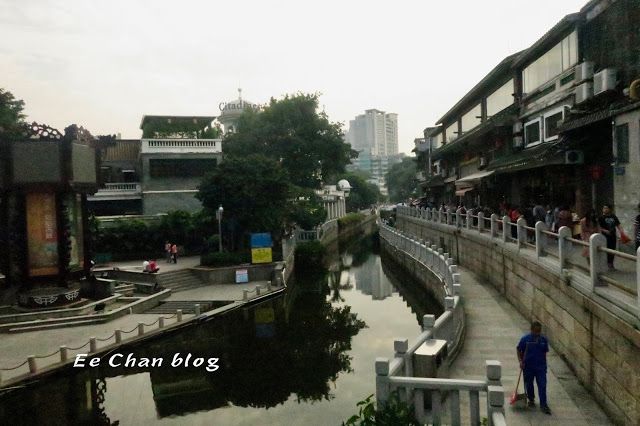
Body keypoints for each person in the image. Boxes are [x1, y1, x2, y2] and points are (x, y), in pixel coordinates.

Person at [517, 321, 551, 415]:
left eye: (539, 331)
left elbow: (545, 352)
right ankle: (531, 399)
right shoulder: (525, 339)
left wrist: (544, 365)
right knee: (529, 384)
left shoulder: (543, 340)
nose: (537, 333)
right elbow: (519, 349)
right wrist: (520, 361)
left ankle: (543, 405)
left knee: (542, 385)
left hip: (540, 367)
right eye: (535, 331)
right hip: (528, 366)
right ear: (531, 330)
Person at [598, 204, 622, 270]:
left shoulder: (613, 216)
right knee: (606, 250)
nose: (605, 209)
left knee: (612, 250)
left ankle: (611, 264)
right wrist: (604, 230)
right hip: (604, 237)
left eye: (606, 208)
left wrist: (621, 233)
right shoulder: (601, 218)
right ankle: (606, 264)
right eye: (604, 208)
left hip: (613, 236)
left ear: (609, 209)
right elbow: (598, 227)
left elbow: (618, 225)